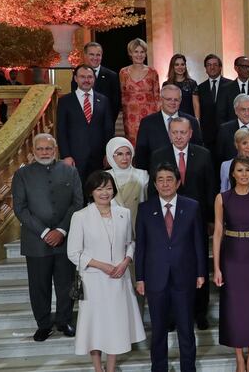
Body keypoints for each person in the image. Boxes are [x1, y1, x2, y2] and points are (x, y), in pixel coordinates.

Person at [67, 171, 146, 372]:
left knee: (115, 325)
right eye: (100, 189)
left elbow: (131, 243)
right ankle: (97, 367)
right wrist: (102, 266)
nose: (105, 193)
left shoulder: (124, 213)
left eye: (109, 188)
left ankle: (110, 367)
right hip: (94, 281)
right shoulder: (81, 216)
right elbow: (73, 253)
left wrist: (126, 261)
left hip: (119, 279)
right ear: (91, 192)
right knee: (94, 326)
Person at [135, 163, 207, 372]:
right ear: (155, 184)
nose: (165, 184)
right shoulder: (145, 209)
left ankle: (188, 368)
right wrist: (140, 277)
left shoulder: (192, 206)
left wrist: (201, 272)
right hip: (155, 277)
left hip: (184, 276)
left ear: (177, 182)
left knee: (186, 327)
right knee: (158, 329)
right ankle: (159, 368)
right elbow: (141, 246)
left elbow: (198, 242)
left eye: (169, 179)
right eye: (161, 180)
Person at [11, 133, 82, 342]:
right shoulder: (22, 175)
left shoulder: (70, 171)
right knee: (38, 285)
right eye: (40, 149)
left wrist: (61, 231)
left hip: (66, 238)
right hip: (36, 240)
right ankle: (43, 324)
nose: (44, 152)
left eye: (48, 148)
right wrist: (44, 232)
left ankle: (64, 320)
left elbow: (78, 203)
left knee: (65, 283)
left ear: (55, 149)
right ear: (33, 151)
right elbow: (20, 208)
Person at [148, 117, 216, 329]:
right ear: (169, 134)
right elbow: (153, 190)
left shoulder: (203, 155)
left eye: (182, 132)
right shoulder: (158, 155)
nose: (178, 136)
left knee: (199, 263)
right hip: (168, 221)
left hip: (197, 222)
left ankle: (200, 312)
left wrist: (212, 219)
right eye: (174, 132)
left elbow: (210, 188)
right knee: (171, 266)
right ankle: (172, 315)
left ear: (190, 134)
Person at [213, 157, 249, 372]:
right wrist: (217, 267)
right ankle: (239, 357)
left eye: (248, 170)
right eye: (240, 170)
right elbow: (218, 232)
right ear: (232, 173)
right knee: (234, 308)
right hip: (232, 257)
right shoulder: (222, 198)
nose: (244, 174)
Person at [57, 64, 115, 183]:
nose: (86, 80)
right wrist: (66, 156)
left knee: (97, 189)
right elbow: (61, 130)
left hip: (98, 157)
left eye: (89, 77)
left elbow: (108, 129)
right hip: (75, 157)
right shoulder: (65, 101)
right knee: (77, 194)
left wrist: (108, 154)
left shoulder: (103, 100)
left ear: (94, 79)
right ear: (76, 79)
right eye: (82, 77)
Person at [134, 84, 203, 171]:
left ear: (180, 100)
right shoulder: (147, 123)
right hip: (158, 178)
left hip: (188, 176)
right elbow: (141, 156)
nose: (172, 103)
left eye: (176, 100)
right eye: (168, 99)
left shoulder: (192, 121)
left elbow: (199, 152)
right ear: (161, 99)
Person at [118, 38, 160, 146]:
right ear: (130, 53)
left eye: (142, 52)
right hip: (130, 116)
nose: (139, 55)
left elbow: (157, 97)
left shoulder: (152, 72)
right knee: (133, 146)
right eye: (136, 52)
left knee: (150, 144)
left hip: (150, 115)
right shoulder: (123, 72)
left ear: (145, 54)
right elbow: (122, 95)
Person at [105, 137, 149, 224]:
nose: (125, 158)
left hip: (136, 224)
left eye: (128, 153)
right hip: (111, 225)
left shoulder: (143, 175)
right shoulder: (104, 177)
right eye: (120, 154)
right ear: (111, 155)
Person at [217, 56, 249, 126]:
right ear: (236, 68)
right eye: (244, 67)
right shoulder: (225, 89)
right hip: (231, 131)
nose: (248, 70)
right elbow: (221, 115)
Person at [77, 41, 121, 123]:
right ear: (85, 55)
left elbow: (115, 103)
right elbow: (75, 100)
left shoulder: (112, 76)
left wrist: (109, 121)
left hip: (105, 124)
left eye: (98, 55)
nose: (95, 58)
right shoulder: (78, 74)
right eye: (91, 54)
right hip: (83, 124)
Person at [197, 54, 231, 155]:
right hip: (207, 137)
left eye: (215, 65)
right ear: (205, 69)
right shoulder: (200, 88)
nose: (212, 67)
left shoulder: (231, 85)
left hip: (226, 134)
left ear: (220, 67)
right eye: (209, 65)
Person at [163, 53, 200, 118]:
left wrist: (197, 121)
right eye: (177, 65)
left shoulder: (192, 83)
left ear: (185, 66)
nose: (180, 67)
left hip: (188, 119)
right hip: (172, 119)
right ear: (172, 67)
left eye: (182, 64)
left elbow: (196, 105)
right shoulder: (166, 84)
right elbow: (164, 105)